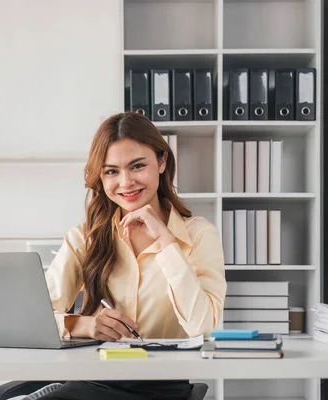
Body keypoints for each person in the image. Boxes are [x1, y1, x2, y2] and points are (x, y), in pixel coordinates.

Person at [40, 111, 227, 400]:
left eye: (137, 166)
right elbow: (36, 319)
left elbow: (203, 330)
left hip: (160, 386)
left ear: (162, 162)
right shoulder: (85, 237)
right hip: (93, 380)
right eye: (111, 171)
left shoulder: (199, 235)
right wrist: (86, 325)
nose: (126, 182)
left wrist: (166, 243)